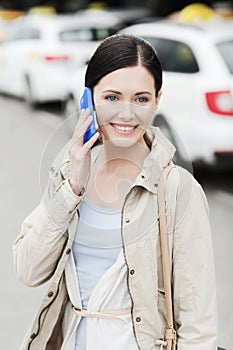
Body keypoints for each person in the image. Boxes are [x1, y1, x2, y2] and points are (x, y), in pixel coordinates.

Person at [13, 34, 217, 350]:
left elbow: (198, 324)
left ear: (157, 100)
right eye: (111, 97)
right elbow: (28, 269)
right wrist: (72, 189)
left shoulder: (178, 190)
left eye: (141, 99)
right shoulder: (69, 173)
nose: (126, 114)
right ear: (89, 98)